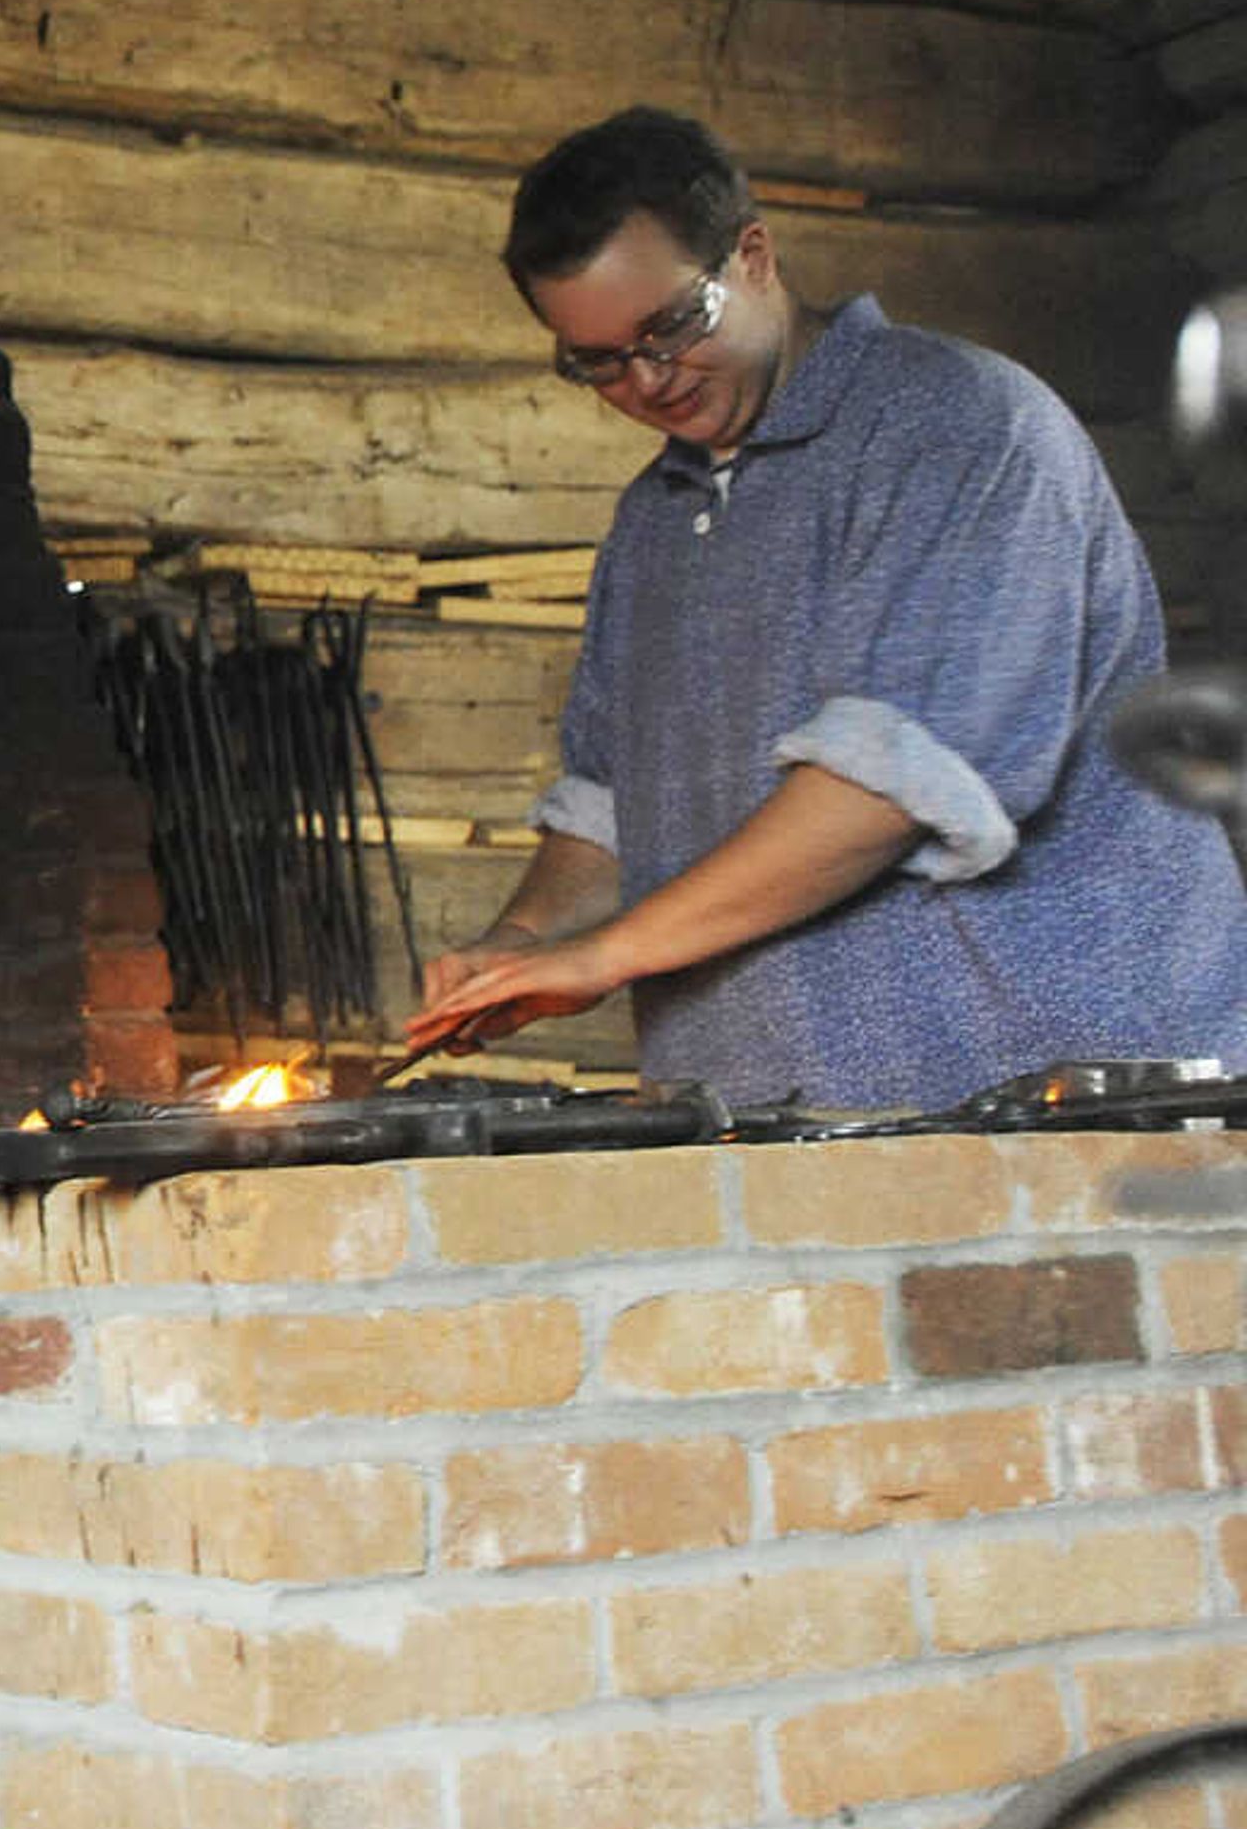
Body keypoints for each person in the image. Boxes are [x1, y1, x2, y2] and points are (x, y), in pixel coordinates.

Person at [405, 106, 1247, 1108]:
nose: (648, 379)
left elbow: (889, 786)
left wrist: (605, 955)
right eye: (597, 360)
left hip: (1065, 1104)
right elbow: (608, 801)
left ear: (753, 255)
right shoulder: (654, 523)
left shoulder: (958, 429)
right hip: (783, 1121)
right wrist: (525, 940)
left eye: (671, 326)